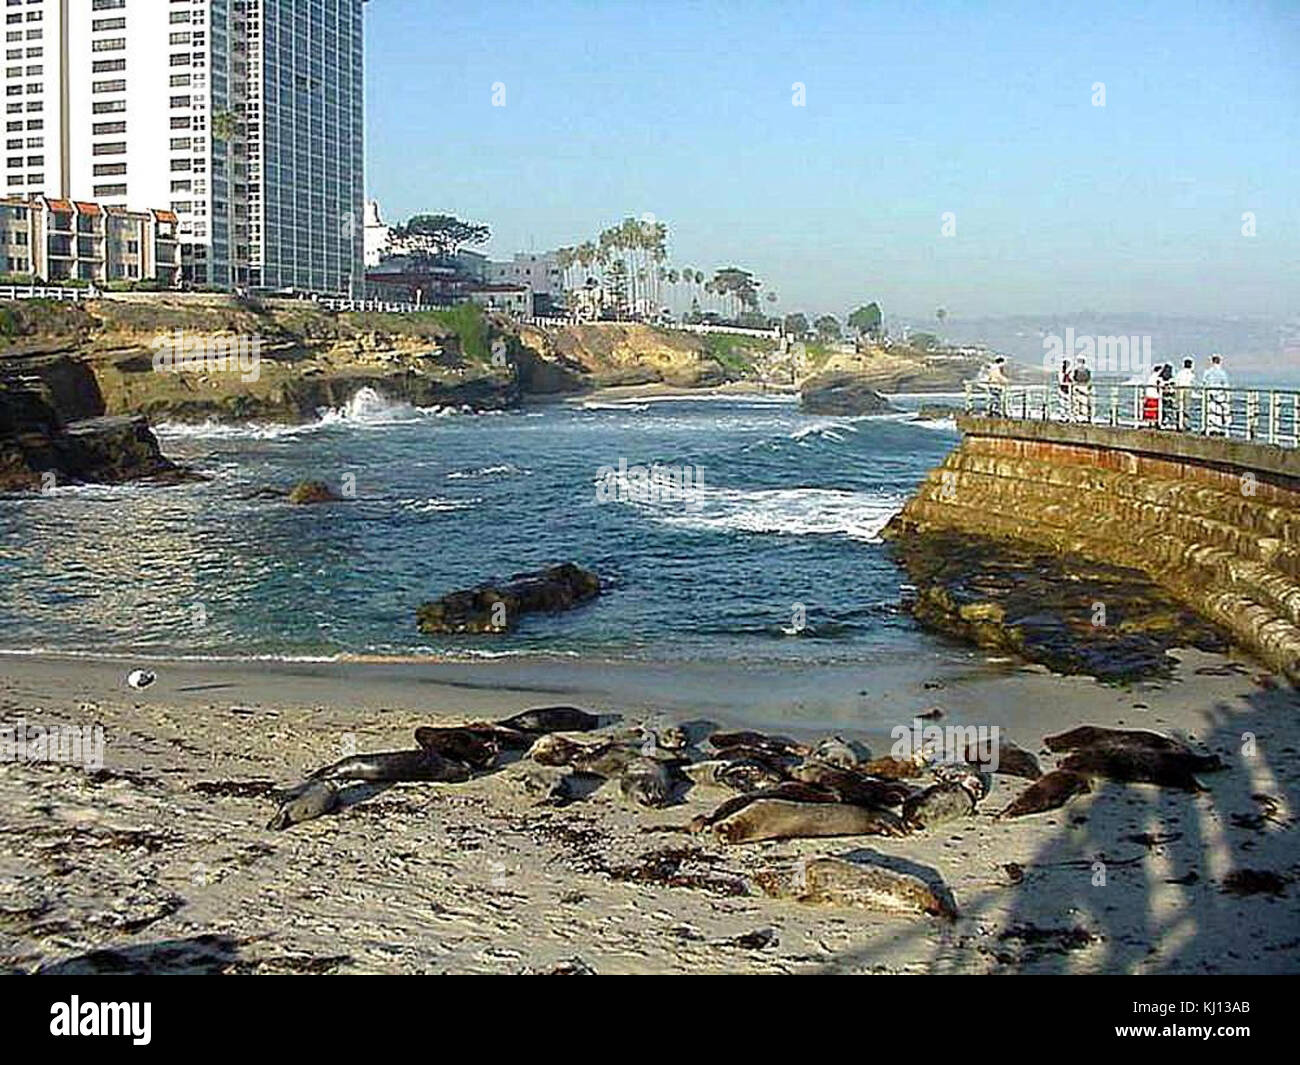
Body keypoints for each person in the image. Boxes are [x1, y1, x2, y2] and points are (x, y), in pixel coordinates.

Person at [1203, 353, 1230, 435]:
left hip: (1210, 393)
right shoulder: (1222, 373)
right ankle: (1218, 428)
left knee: (1210, 411)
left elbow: (1204, 383)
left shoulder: (1208, 372)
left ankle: (1210, 428)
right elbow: (1225, 384)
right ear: (1220, 362)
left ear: (1212, 361)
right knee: (1218, 411)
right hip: (1220, 394)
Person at [1071, 357, 1092, 421]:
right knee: (1082, 402)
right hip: (1083, 386)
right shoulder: (1086, 370)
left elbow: (1074, 378)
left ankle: (1079, 416)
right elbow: (1089, 379)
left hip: (1079, 386)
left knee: (1079, 403)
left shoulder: (1077, 370)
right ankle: (1083, 416)